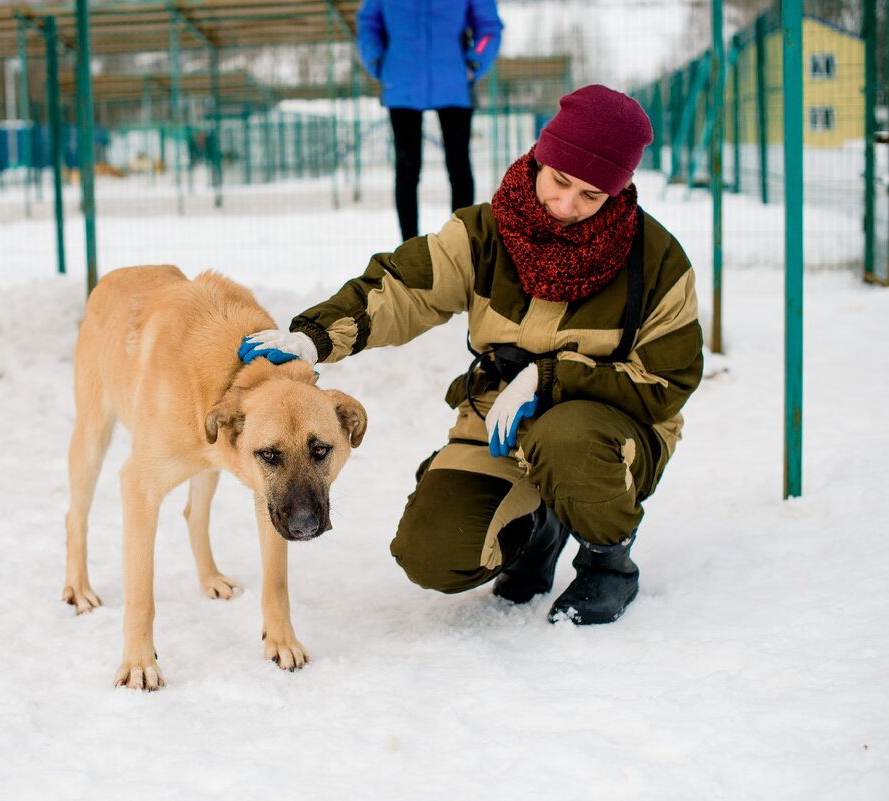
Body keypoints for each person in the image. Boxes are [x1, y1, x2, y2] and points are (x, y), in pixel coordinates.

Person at [239, 85, 704, 626]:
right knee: (432, 553)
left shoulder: (657, 261)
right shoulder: (486, 231)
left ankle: (608, 563)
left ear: (618, 193)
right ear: (540, 157)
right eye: (559, 180)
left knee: (567, 440)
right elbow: (405, 289)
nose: (566, 206)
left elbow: (667, 383)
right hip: (499, 424)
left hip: (610, 438)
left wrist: (549, 378)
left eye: (591, 195)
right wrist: (316, 337)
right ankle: (540, 527)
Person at [356, 0, 503, 241]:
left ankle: (461, 243)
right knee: (406, 169)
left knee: (459, 166)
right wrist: (376, 60)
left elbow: (488, 26)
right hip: (401, 84)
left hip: (453, 83)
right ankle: (408, 246)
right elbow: (369, 22)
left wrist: (475, 61)